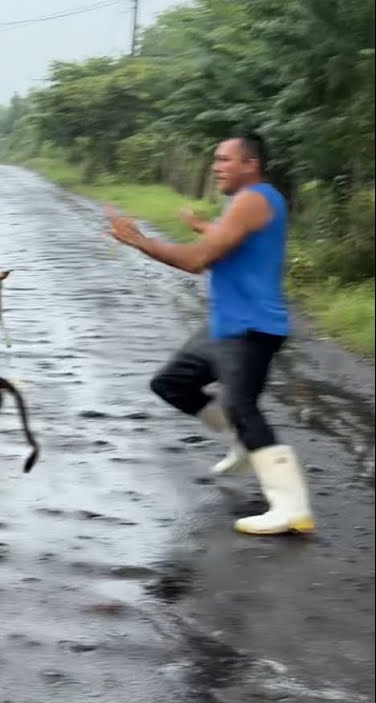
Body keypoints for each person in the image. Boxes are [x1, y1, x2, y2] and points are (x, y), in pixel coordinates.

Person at [105, 132, 314, 536]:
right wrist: (201, 225)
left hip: (252, 328)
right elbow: (225, 240)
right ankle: (241, 443)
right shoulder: (247, 202)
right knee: (172, 383)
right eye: (215, 159)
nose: (216, 166)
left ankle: (292, 507)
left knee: (243, 407)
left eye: (224, 159)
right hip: (226, 325)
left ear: (249, 164)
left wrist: (139, 241)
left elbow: (199, 260)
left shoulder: (256, 199)